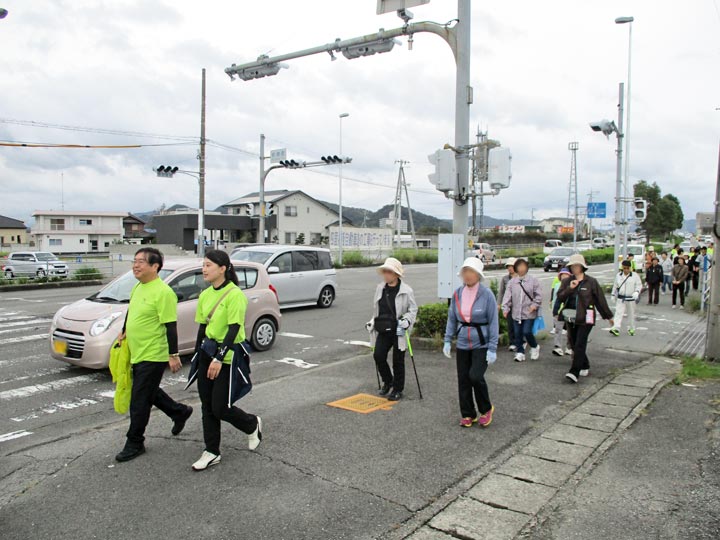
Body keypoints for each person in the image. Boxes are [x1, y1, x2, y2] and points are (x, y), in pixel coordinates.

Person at [115, 247, 193, 462]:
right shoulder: (139, 287)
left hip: (153, 354)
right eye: (135, 261)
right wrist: (124, 329)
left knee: (139, 400)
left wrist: (173, 354)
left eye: (141, 261)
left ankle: (135, 442)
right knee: (148, 390)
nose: (136, 265)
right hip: (136, 350)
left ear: (155, 266)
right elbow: (132, 311)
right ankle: (179, 412)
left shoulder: (163, 292)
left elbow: (170, 325)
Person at [190, 250, 263, 472]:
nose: (204, 269)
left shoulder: (234, 295)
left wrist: (219, 358)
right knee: (206, 405)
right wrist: (197, 355)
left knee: (220, 407)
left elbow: (234, 329)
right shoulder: (204, 295)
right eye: (203, 265)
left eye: (209, 265)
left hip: (228, 356)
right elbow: (203, 327)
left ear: (223, 268)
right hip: (207, 353)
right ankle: (211, 451)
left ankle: (252, 424)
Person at [443, 258, 499, 428]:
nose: (468, 275)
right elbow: (452, 319)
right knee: (463, 379)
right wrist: (447, 339)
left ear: (478, 275)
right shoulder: (457, 293)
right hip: (462, 343)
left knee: (475, 376)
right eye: (465, 271)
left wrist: (492, 348)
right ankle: (468, 414)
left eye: (471, 271)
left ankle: (486, 408)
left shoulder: (487, 294)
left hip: (481, 343)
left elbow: (493, 321)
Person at [557, 254, 614, 383]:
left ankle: (574, 372)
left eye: (577, 266)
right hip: (570, 317)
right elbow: (560, 297)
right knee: (573, 343)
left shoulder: (591, 282)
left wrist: (608, 316)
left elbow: (600, 300)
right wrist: (570, 288)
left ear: (582, 267)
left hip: (586, 317)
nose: (574, 268)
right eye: (572, 266)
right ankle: (585, 364)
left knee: (580, 344)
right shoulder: (567, 281)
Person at [367, 257, 417, 401]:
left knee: (398, 360)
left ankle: (397, 389)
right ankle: (388, 381)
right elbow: (377, 309)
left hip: (399, 330)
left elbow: (413, 309)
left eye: (389, 272)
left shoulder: (406, 291)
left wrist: (406, 320)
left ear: (396, 274)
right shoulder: (380, 288)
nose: (386, 275)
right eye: (385, 272)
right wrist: (372, 321)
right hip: (383, 328)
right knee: (378, 356)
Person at [501, 258, 542, 362]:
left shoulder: (533, 281)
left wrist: (535, 305)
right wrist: (505, 308)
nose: (521, 268)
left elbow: (538, 295)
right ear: (516, 268)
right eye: (519, 266)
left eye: (523, 266)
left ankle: (534, 346)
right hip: (516, 313)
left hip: (529, 312)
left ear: (527, 267)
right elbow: (507, 296)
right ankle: (520, 352)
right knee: (517, 333)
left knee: (527, 331)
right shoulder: (512, 282)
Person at [610, 260, 643, 337]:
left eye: (627, 268)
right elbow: (615, 286)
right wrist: (612, 295)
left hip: (631, 298)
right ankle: (616, 328)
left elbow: (639, 285)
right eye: (624, 268)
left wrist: (637, 292)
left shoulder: (635, 275)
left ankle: (631, 328)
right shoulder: (618, 275)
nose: (626, 270)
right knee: (618, 313)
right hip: (621, 298)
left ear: (630, 268)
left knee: (631, 314)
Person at [551, 268, 572, 356]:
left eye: (566, 275)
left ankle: (569, 347)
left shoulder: (572, 286)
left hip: (569, 312)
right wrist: (554, 310)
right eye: (562, 275)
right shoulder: (557, 285)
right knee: (558, 329)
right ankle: (558, 347)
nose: (564, 277)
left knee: (570, 331)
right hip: (559, 312)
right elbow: (555, 299)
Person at [497, 257, 517, 351]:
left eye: (511, 266)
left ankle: (521, 341)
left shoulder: (521, 278)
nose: (510, 268)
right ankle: (512, 342)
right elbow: (501, 292)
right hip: (508, 305)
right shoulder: (505, 279)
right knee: (510, 324)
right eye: (508, 266)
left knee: (519, 324)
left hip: (520, 306)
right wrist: (499, 303)